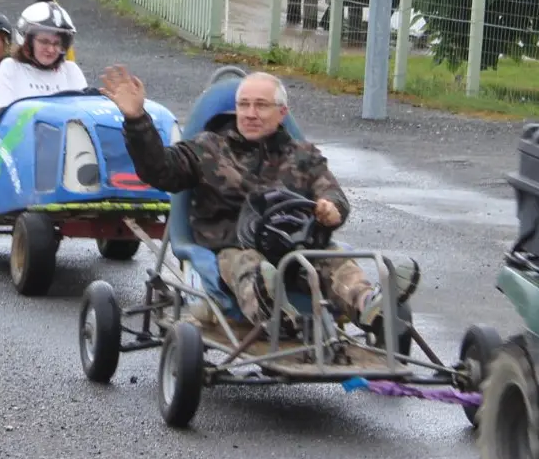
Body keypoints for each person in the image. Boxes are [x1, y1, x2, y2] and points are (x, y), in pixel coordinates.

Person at [102, 66, 414, 330]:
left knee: (332, 258)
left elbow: (331, 192)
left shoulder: (302, 156)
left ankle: (370, 305)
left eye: (261, 106)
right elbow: (159, 170)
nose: (250, 114)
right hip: (231, 248)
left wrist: (332, 209)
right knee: (249, 265)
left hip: (297, 248)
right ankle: (275, 315)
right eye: (244, 105)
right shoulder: (208, 148)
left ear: (282, 113)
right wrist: (137, 119)